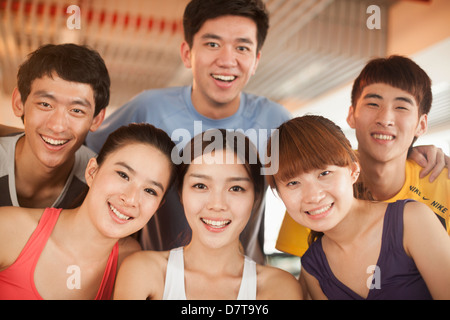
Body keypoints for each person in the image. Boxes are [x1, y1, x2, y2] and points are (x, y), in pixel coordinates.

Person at [85, 0, 291, 264]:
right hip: (159, 279)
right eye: (212, 44)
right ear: (187, 53)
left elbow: (310, 187)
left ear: (255, 61)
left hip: (247, 283)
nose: (227, 60)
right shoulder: (149, 108)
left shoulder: (276, 121)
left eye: (242, 47)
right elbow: (84, 159)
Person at [276, 55, 450, 257]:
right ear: (351, 115)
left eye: (401, 107)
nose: (385, 119)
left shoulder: (444, 184)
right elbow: (303, 278)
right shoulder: (315, 191)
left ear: (421, 125)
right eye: (373, 104)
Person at [267, 115, 450, 299]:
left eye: (324, 173)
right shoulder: (312, 268)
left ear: (354, 171)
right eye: (293, 183)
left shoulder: (412, 220)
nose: (313, 196)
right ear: (280, 194)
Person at [113, 129, 302, 300]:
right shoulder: (143, 271)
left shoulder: (279, 288)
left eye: (236, 188)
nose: (216, 205)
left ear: (256, 197)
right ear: (181, 193)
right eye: (200, 186)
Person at [0, 123, 177, 300]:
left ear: (158, 206)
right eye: (123, 175)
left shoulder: (134, 266)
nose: (131, 199)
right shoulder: (11, 229)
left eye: (150, 191)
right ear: (92, 172)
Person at [0, 43, 109, 208]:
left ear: (96, 119)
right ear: (18, 102)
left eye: (77, 110)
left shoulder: (99, 184)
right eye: (45, 104)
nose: (57, 126)